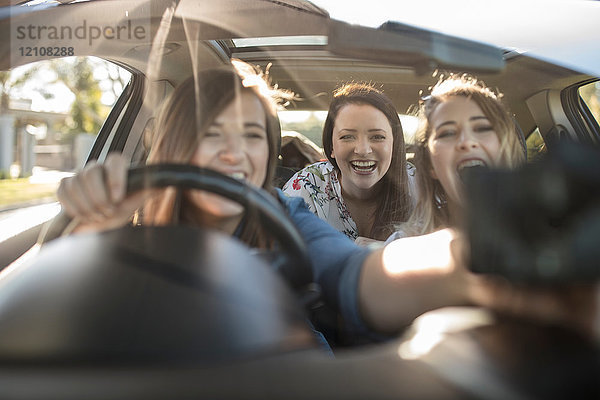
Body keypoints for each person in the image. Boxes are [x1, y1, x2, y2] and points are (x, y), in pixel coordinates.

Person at [56, 62, 598, 346]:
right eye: (211, 132)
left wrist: (477, 262)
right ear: (174, 143)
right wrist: (90, 229)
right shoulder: (122, 227)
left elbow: (358, 271)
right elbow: (63, 318)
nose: (233, 151)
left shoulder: (283, 219)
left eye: (252, 135)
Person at [385, 74, 526, 242]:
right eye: (448, 133)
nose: (466, 142)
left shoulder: (551, 237)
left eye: (482, 128)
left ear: (505, 149)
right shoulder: (404, 249)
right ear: (430, 165)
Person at [282, 83, 416, 243]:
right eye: (347, 136)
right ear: (331, 146)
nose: (363, 150)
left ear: (394, 144)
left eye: (377, 136)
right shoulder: (305, 188)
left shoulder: (420, 189)